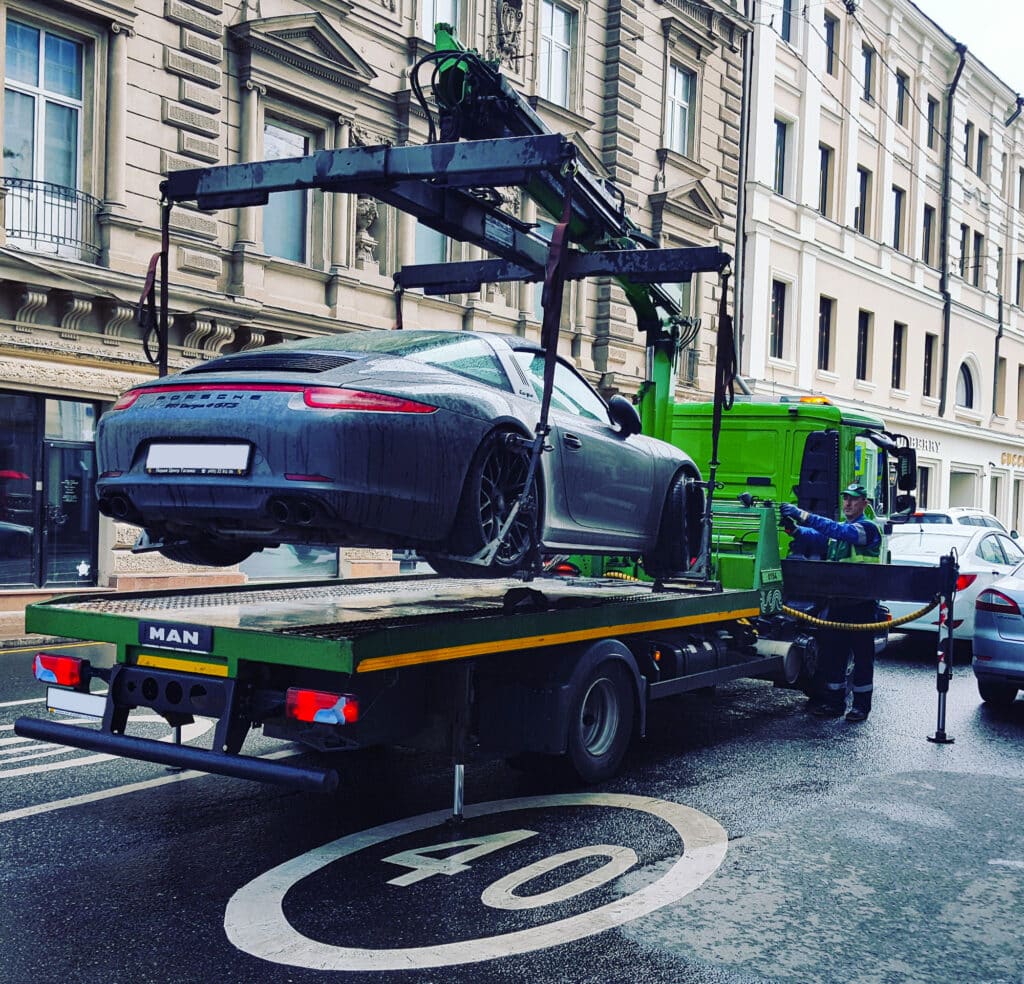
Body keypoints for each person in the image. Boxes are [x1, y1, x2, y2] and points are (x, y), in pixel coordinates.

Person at [779, 483, 883, 722]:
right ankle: (834, 704)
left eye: (854, 499)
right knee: (833, 656)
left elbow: (837, 531)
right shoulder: (841, 531)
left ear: (865, 504)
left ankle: (860, 707)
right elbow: (818, 537)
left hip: (862, 605)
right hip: (837, 604)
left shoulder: (868, 529)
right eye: (845, 498)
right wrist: (793, 530)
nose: (848, 503)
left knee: (862, 658)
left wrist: (803, 515)